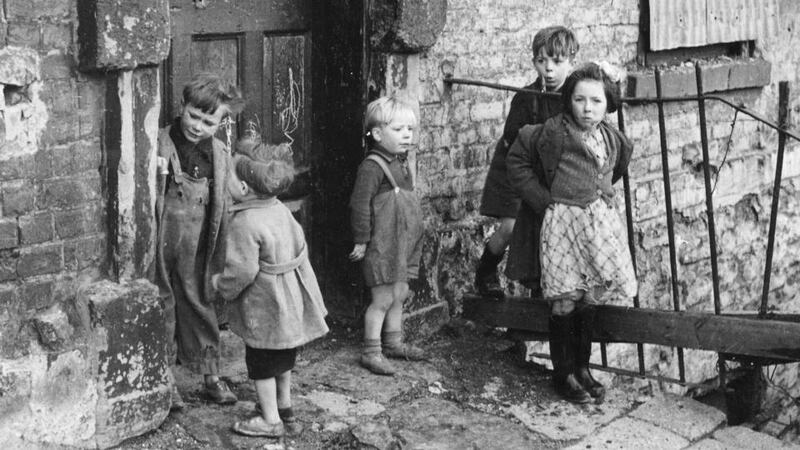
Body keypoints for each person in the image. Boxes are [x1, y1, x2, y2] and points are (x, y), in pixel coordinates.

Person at [506, 63, 637, 404]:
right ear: (569, 101)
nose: (587, 108)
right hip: (562, 226)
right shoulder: (552, 133)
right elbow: (516, 158)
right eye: (580, 100)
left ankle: (582, 368)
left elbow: (616, 165)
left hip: (595, 228)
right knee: (564, 299)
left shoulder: (611, 137)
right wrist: (543, 200)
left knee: (589, 297)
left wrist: (602, 190)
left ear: (609, 104)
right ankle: (563, 373)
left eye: (596, 101)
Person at [213, 136, 329, 437]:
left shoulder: (245, 222)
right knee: (282, 357)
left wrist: (219, 285)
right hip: (289, 301)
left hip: (266, 305)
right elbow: (299, 244)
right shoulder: (279, 209)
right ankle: (284, 407)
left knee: (261, 363)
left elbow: (242, 270)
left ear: (242, 188)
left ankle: (270, 419)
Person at [155, 72, 244, 407]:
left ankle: (211, 375)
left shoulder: (219, 153)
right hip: (164, 237)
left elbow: (227, 197)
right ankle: (165, 380)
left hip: (197, 240)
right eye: (193, 116)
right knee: (162, 302)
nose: (197, 126)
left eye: (208, 122)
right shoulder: (162, 141)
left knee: (199, 301)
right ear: (182, 106)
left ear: (221, 123)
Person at [477, 26, 579, 298]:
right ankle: (486, 271)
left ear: (571, 61)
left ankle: (543, 288)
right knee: (510, 227)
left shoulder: (573, 98)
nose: (548, 69)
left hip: (548, 173)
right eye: (541, 61)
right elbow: (512, 138)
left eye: (557, 62)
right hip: (515, 167)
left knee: (546, 228)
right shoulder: (526, 98)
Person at [348, 96, 425, 376]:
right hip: (382, 245)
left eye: (410, 129)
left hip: (403, 244)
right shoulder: (372, 167)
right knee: (381, 298)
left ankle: (393, 342)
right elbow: (359, 205)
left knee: (399, 293)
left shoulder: (400, 163)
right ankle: (372, 351)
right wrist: (361, 240)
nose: (407, 134)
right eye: (399, 129)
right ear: (378, 133)